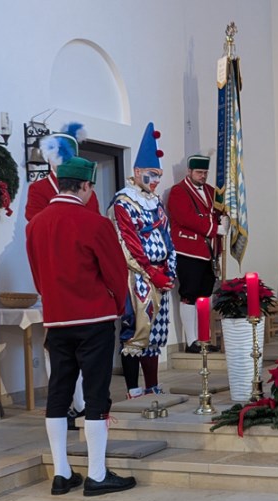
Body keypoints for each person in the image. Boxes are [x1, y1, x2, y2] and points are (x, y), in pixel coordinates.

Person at [25, 156, 136, 496]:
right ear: (86, 185)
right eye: (91, 188)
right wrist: (115, 306)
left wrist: (55, 303)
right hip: (93, 320)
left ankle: (62, 474)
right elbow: (117, 274)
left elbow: (38, 275)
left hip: (57, 321)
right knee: (96, 394)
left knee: (58, 394)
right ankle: (98, 475)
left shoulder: (35, 225)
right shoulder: (94, 224)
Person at [26, 122, 100, 430]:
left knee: (85, 350)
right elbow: (35, 227)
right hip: (55, 277)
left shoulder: (86, 189)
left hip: (82, 279)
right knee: (56, 350)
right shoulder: (39, 189)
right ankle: (63, 404)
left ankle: (82, 405)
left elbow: (94, 227)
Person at [109, 122, 176, 398]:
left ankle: (151, 386)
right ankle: (133, 390)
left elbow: (168, 236)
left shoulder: (156, 202)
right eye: (152, 174)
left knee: (157, 333)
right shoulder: (123, 202)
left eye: (158, 175)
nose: (156, 180)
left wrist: (169, 269)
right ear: (137, 172)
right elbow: (126, 242)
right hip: (136, 276)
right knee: (136, 330)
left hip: (160, 275)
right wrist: (150, 271)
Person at [167, 154, 226, 353]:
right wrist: (214, 228)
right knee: (189, 295)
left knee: (206, 295)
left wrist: (224, 220)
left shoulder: (211, 191)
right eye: (199, 172)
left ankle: (204, 338)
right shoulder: (178, 191)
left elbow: (220, 211)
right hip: (188, 251)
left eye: (205, 173)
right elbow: (186, 218)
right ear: (189, 172)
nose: (203, 176)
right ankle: (192, 340)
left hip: (209, 252)